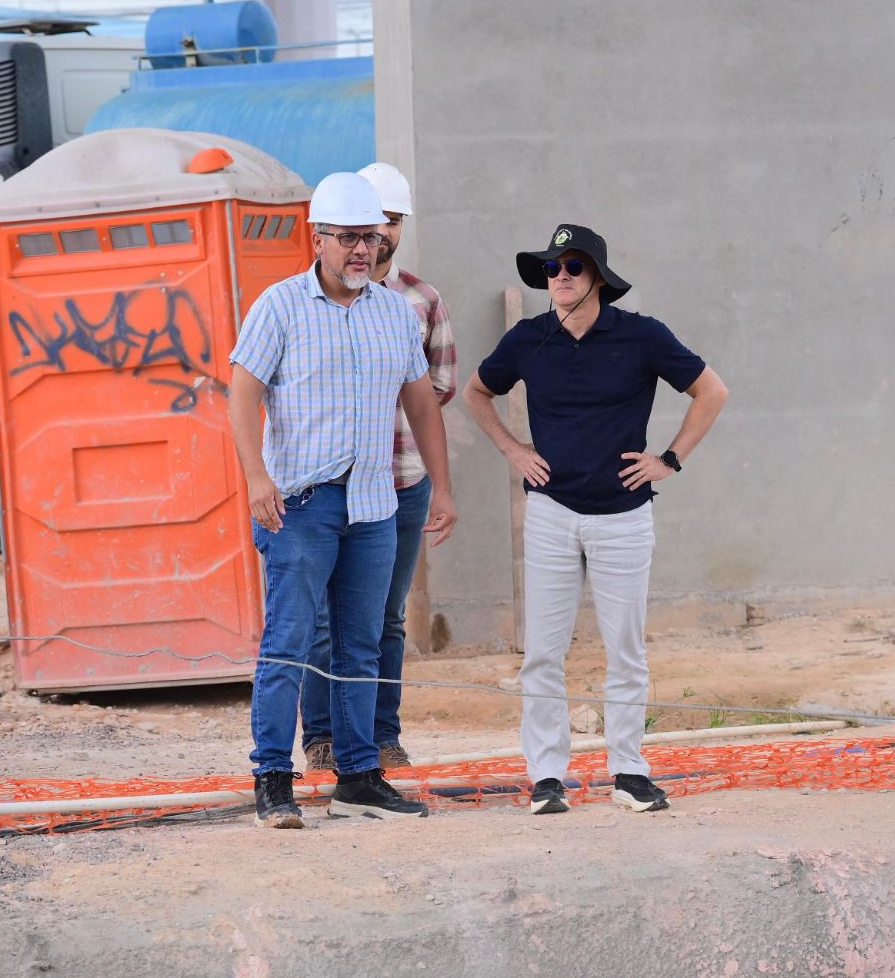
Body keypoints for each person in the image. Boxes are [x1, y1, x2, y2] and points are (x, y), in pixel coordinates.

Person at [464, 224, 728, 815]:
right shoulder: (528, 339)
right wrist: (513, 450)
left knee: (625, 650)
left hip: (624, 516)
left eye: (572, 266)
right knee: (542, 652)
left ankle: (629, 771)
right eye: (551, 268)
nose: (559, 276)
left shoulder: (642, 336)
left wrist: (670, 459)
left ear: (599, 278)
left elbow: (712, 392)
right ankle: (546, 777)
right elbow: (476, 392)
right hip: (552, 512)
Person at [227, 172, 458, 829]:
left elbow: (421, 404)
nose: (364, 249)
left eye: (373, 237)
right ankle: (274, 779)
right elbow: (242, 391)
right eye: (350, 238)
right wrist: (255, 477)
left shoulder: (393, 311)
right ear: (319, 239)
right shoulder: (280, 306)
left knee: (362, 646)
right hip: (300, 505)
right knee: (291, 641)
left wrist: (441, 486)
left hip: (373, 506)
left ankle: (358, 778)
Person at [300, 161, 456, 773]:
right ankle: (321, 739)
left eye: (391, 221)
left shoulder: (421, 301)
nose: (380, 234)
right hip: (329, 487)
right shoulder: (306, 300)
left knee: (384, 621)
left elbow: (437, 389)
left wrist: (381, 396)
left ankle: (381, 735)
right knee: (318, 622)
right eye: (370, 224)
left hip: (401, 483)